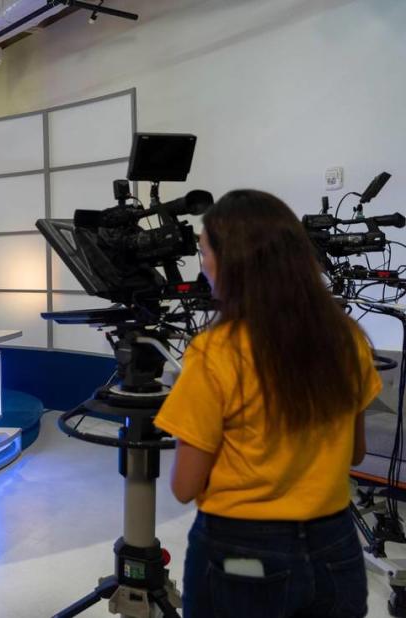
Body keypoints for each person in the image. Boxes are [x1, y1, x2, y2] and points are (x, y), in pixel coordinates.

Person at [154, 190, 382, 618]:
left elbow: (185, 487)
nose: (202, 268)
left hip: (242, 553)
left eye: (204, 253)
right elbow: (355, 452)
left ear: (233, 263)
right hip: (335, 546)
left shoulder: (214, 352)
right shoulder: (348, 338)